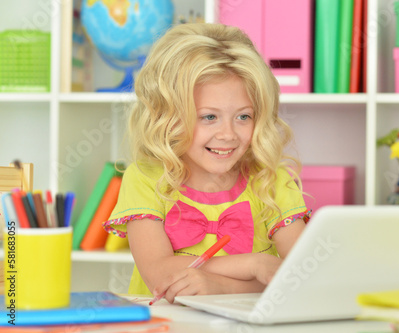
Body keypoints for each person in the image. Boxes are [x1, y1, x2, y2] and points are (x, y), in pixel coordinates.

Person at [104, 23, 310, 303]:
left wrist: (221, 286)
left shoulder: (272, 181)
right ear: (168, 117)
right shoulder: (146, 178)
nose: (228, 134)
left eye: (243, 117)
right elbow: (160, 274)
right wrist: (253, 265)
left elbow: (301, 275)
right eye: (209, 117)